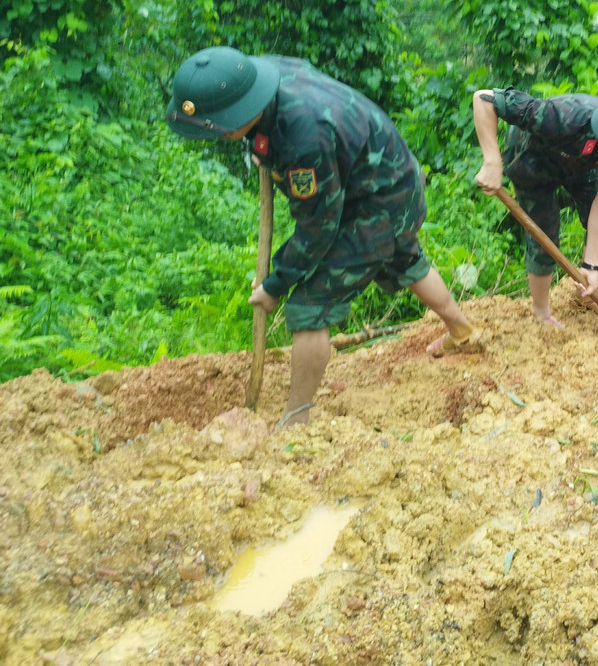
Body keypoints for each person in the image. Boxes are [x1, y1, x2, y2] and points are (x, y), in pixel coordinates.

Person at [165, 46, 480, 427]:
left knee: (310, 305)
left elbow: (318, 229)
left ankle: (296, 418)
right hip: (380, 179)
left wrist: (275, 284)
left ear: (238, 116)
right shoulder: (265, 73)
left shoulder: (305, 139)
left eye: (217, 129)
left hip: (380, 199)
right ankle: (461, 330)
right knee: (405, 259)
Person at [472, 88, 598, 326]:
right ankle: (541, 311)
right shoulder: (560, 117)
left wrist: (591, 266)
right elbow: (485, 98)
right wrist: (491, 161)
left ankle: (586, 294)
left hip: (582, 164)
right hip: (532, 159)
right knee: (544, 236)